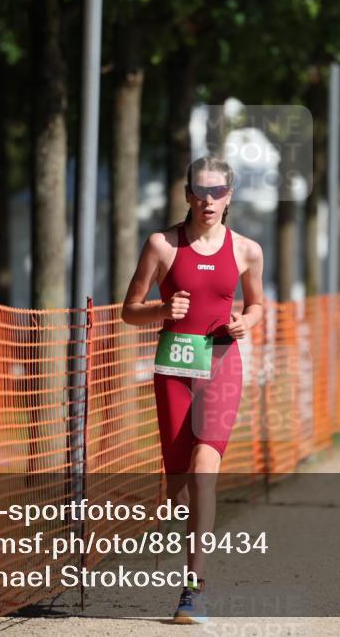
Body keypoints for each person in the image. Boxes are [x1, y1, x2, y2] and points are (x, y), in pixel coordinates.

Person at [121, 155, 264, 624]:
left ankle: (193, 589)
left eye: (217, 191)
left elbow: (257, 304)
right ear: (187, 194)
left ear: (229, 196)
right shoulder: (161, 245)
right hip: (174, 369)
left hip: (221, 364)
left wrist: (246, 322)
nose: (208, 200)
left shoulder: (247, 250)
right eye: (200, 191)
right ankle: (185, 536)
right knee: (180, 491)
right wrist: (162, 311)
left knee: (205, 469)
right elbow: (129, 309)